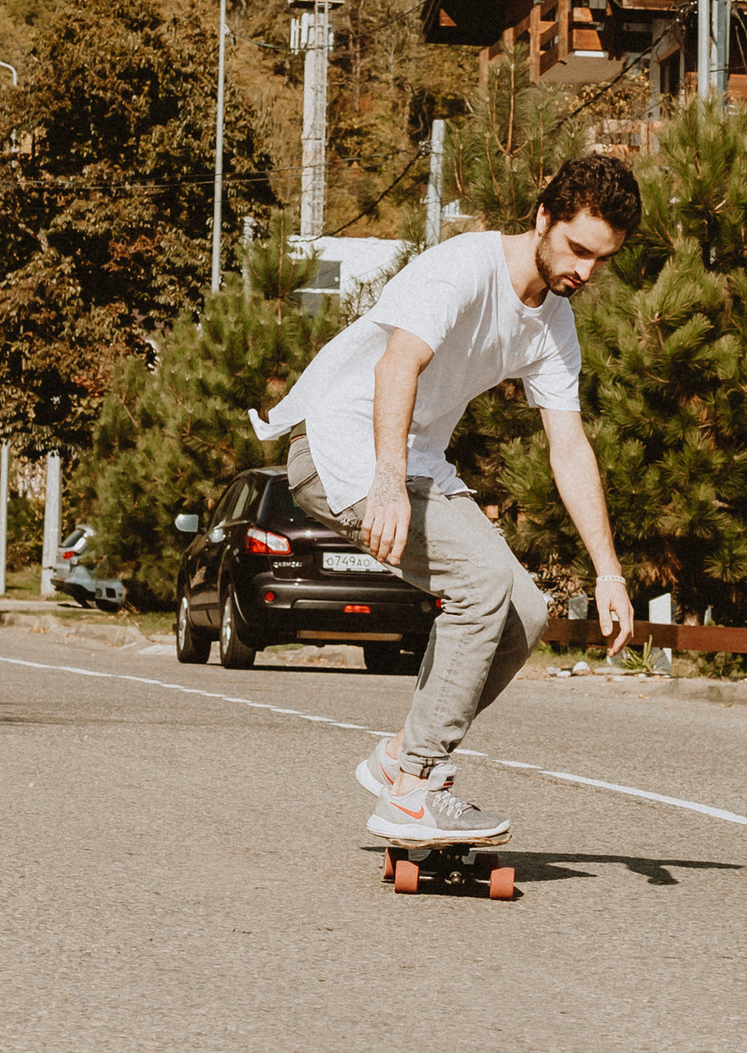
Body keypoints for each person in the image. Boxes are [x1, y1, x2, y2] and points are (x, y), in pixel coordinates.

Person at [259, 152, 643, 848]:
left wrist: (608, 571)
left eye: (601, 261)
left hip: (416, 463)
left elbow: (569, 447)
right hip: (343, 447)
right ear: (542, 218)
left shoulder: (555, 326)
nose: (584, 272)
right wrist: (385, 480)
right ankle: (413, 787)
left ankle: (399, 755)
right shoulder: (465, 268)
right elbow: (397, 362)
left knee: (524, 610)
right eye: (578, 249)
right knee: (483, 583)